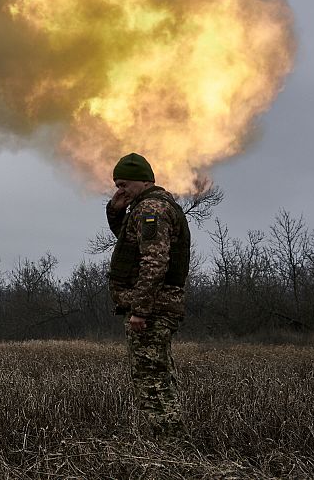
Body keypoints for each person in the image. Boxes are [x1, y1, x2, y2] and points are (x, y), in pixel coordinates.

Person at [105, 153, 191, 436]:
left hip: (153, 310)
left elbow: (154, 262)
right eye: (117, 185)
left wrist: (141, 310)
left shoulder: (151, 209)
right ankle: (171, 438)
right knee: (157, 374)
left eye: (124, 184)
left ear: (143, 181)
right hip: (158, 306)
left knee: (151, 379)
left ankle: (169, 444)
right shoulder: (151, 206)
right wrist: (115, 211)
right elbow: (130, 242)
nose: (121, 190)